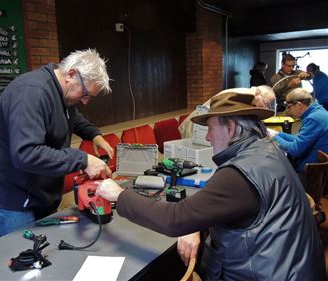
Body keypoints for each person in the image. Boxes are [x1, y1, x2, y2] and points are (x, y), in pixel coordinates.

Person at [97, 89, 324, 280]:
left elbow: (174, 219)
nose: (208, 138)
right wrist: (197, 221)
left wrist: (119, 195)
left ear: (231, 128)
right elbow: (216, 206)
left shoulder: (240, 173)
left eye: (211, 129)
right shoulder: (265, 151)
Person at [0, 49, 114, 238]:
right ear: (72, 74)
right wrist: (82, 160)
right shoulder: (31, 93)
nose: (85, 101)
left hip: (38, 192)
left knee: (46, 251)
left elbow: (71, 117)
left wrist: (93, 135)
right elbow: (27, 153)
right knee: (22, 256)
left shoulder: (62, 93)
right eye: (85, 94)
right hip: (13, 196)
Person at [268, 88, 328, 174]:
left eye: (289, 107)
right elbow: (299, 139)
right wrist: (278, 134)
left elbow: (295, 150)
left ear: (299, 105)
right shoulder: (318, 112)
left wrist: (273, 137)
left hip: (312, 173)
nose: (287, 111)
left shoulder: (313, 119)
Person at [178, 85, 276, 138]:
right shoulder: (242, 97)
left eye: (269, 105)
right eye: (266, 103)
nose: (266, 107)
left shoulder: (249, 97)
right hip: (198, 125)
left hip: (209, 121)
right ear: (258, 94)